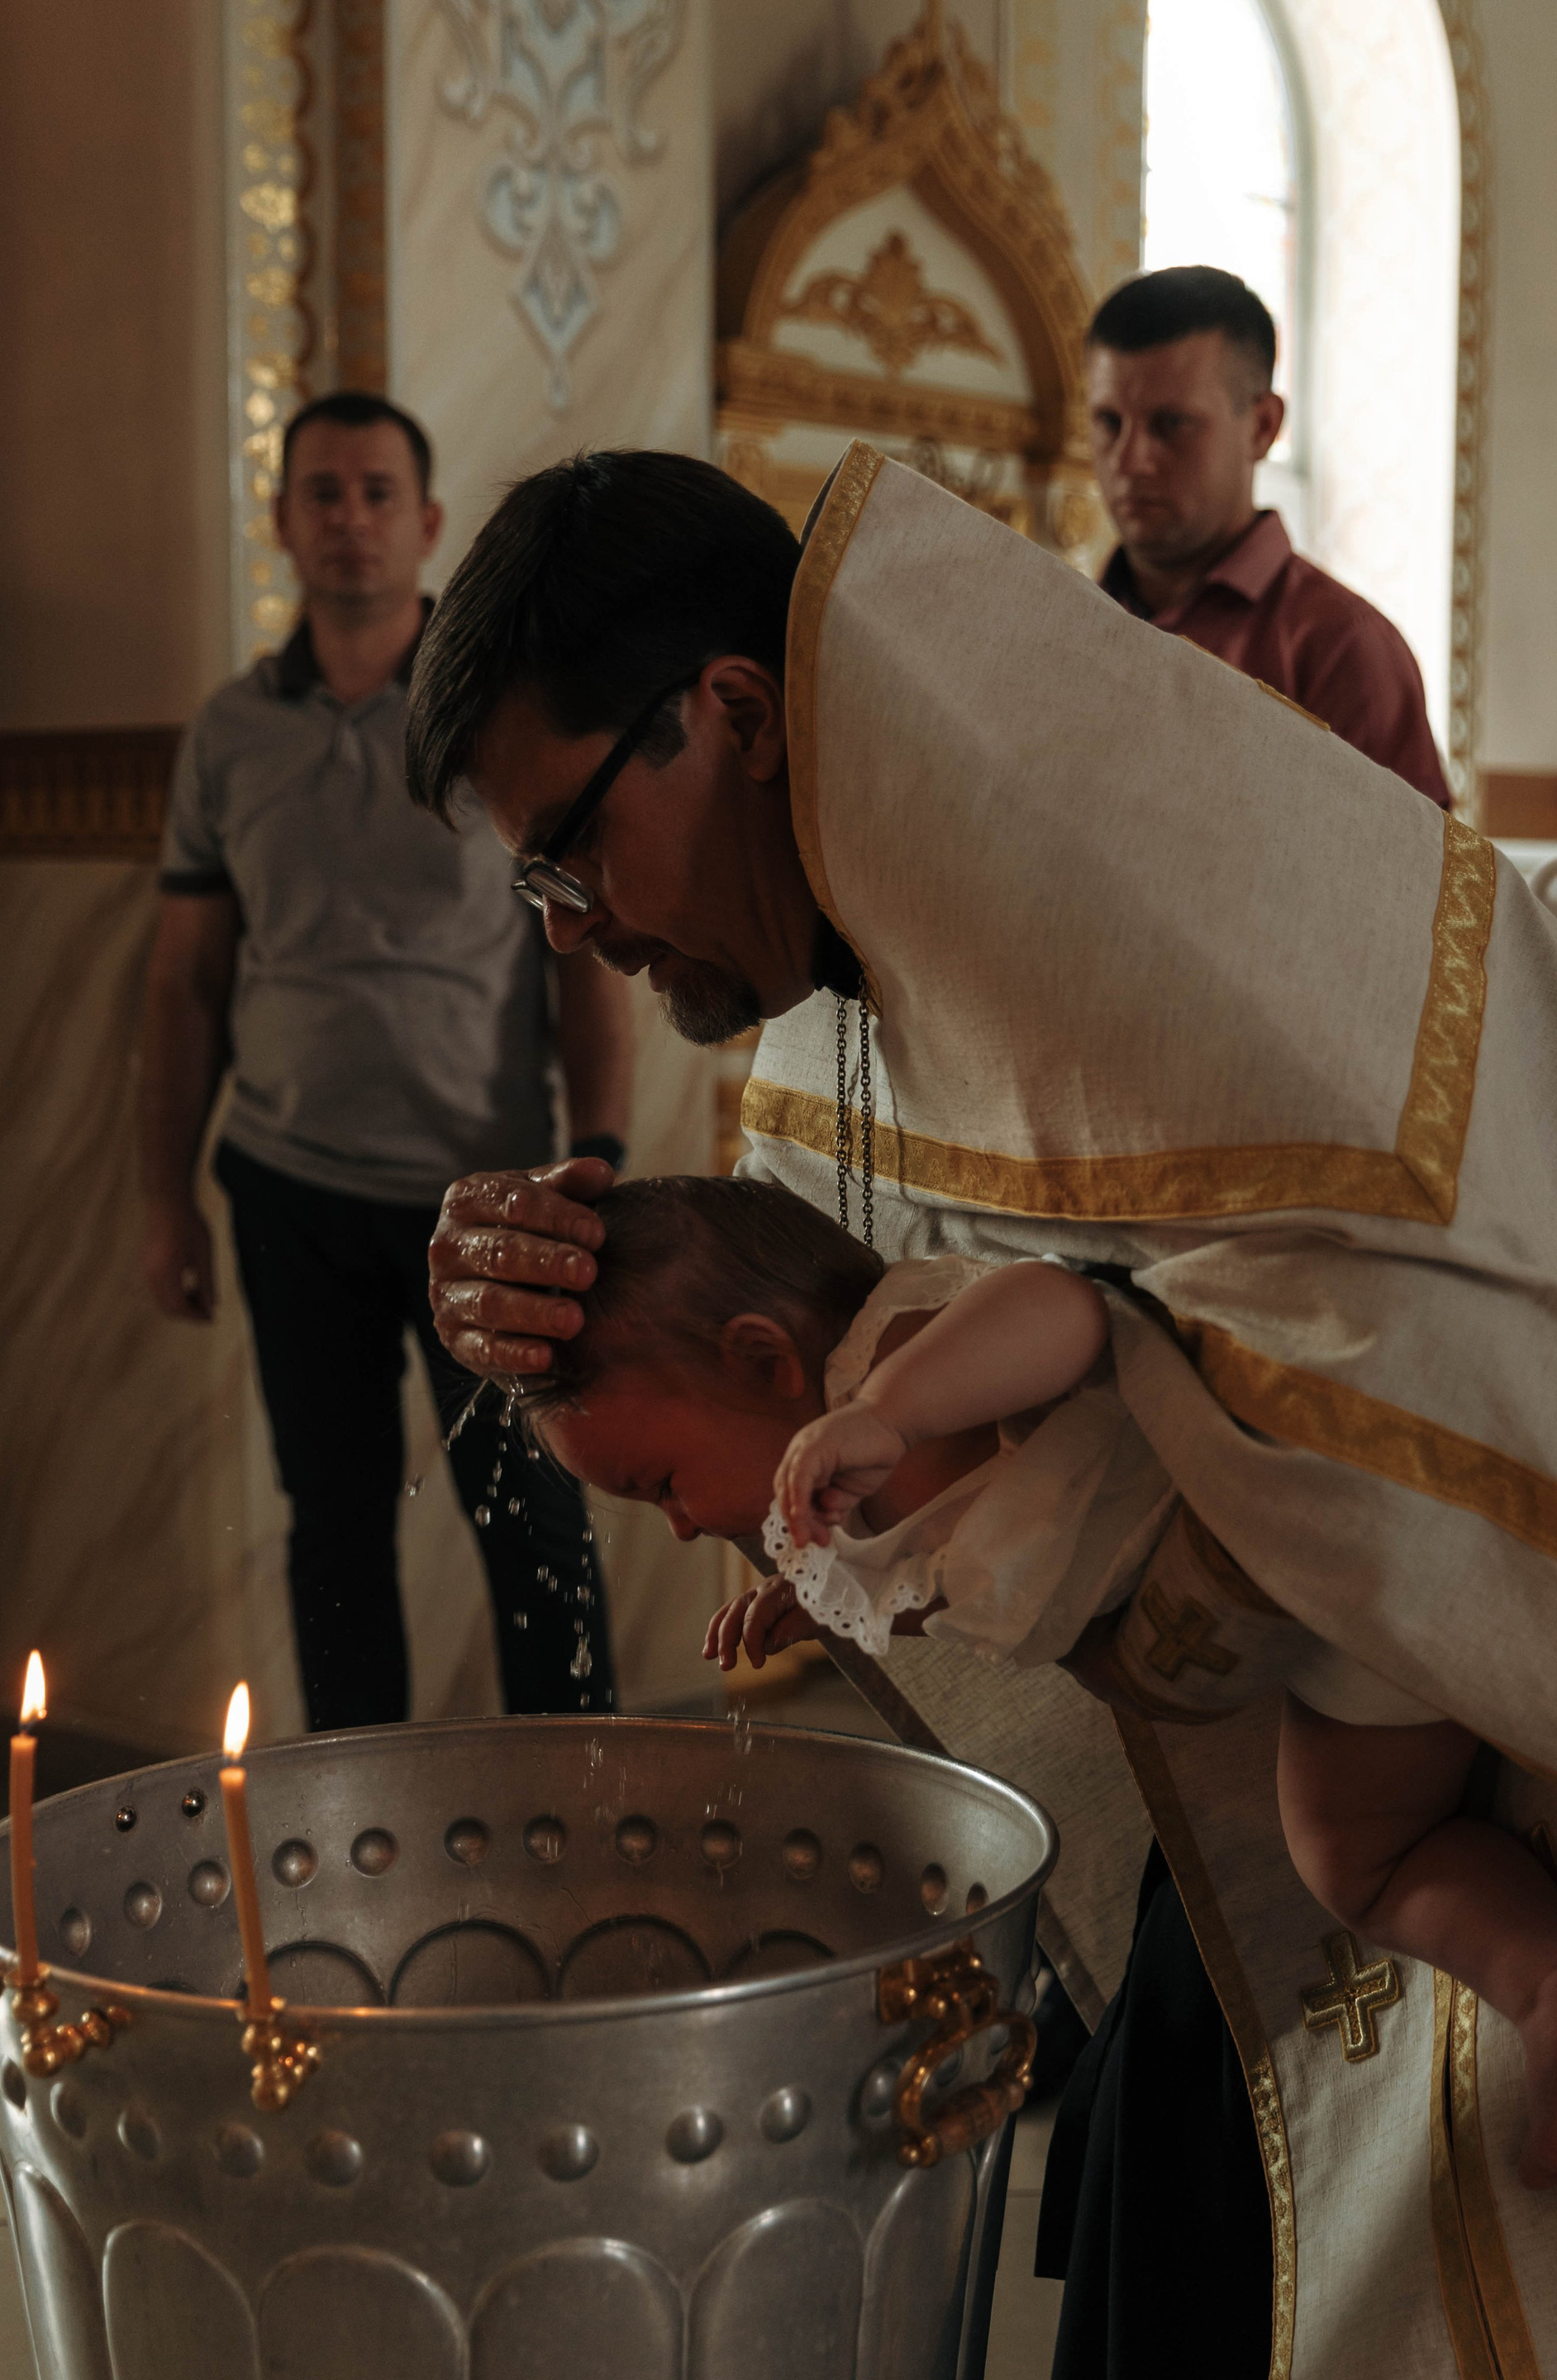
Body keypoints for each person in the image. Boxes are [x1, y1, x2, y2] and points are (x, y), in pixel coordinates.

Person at [402, 444, 1557, 2368]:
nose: (570, 931)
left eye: (568, 853)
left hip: (1456, 1730)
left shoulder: (1117, 874)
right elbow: (830, 1316)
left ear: (735, 712)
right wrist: (525, 1289)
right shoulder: (831, 992)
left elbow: (1390, 1288)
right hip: (1234, 1829)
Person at [527, 1173, 1557, 2189]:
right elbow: (983, 1572)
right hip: (1328, 1638)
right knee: (1359, 1859)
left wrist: (892, 1409)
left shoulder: (899, 1354)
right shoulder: (851, 1513)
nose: (677, 1526)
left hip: (1314, 1492)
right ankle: (1544, 1984)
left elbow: (1070, 1303)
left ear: (762, 1358)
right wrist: (832, 1595)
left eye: (660, 1485)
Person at [140, 390, 627, 1731]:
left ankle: (580, 1798)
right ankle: (360, 1814)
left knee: (531, 1516)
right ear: (284, 521)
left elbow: (580, 956)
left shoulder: (493, 720)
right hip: (288, 1188)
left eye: (375, 494)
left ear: (425, 525)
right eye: (323, 493)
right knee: (334, 1527)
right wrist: (163, 1197)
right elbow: (184, 984)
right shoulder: (230, 734)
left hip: (486, 1194)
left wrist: (602, 1155)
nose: (349, 519)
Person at [1087, 264, 1451, 807]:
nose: (1130, 460)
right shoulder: (1066, 618)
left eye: (1171, 424)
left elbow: (1404, 864)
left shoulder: (1344, 649)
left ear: (1262, 426)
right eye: (1109, 422)